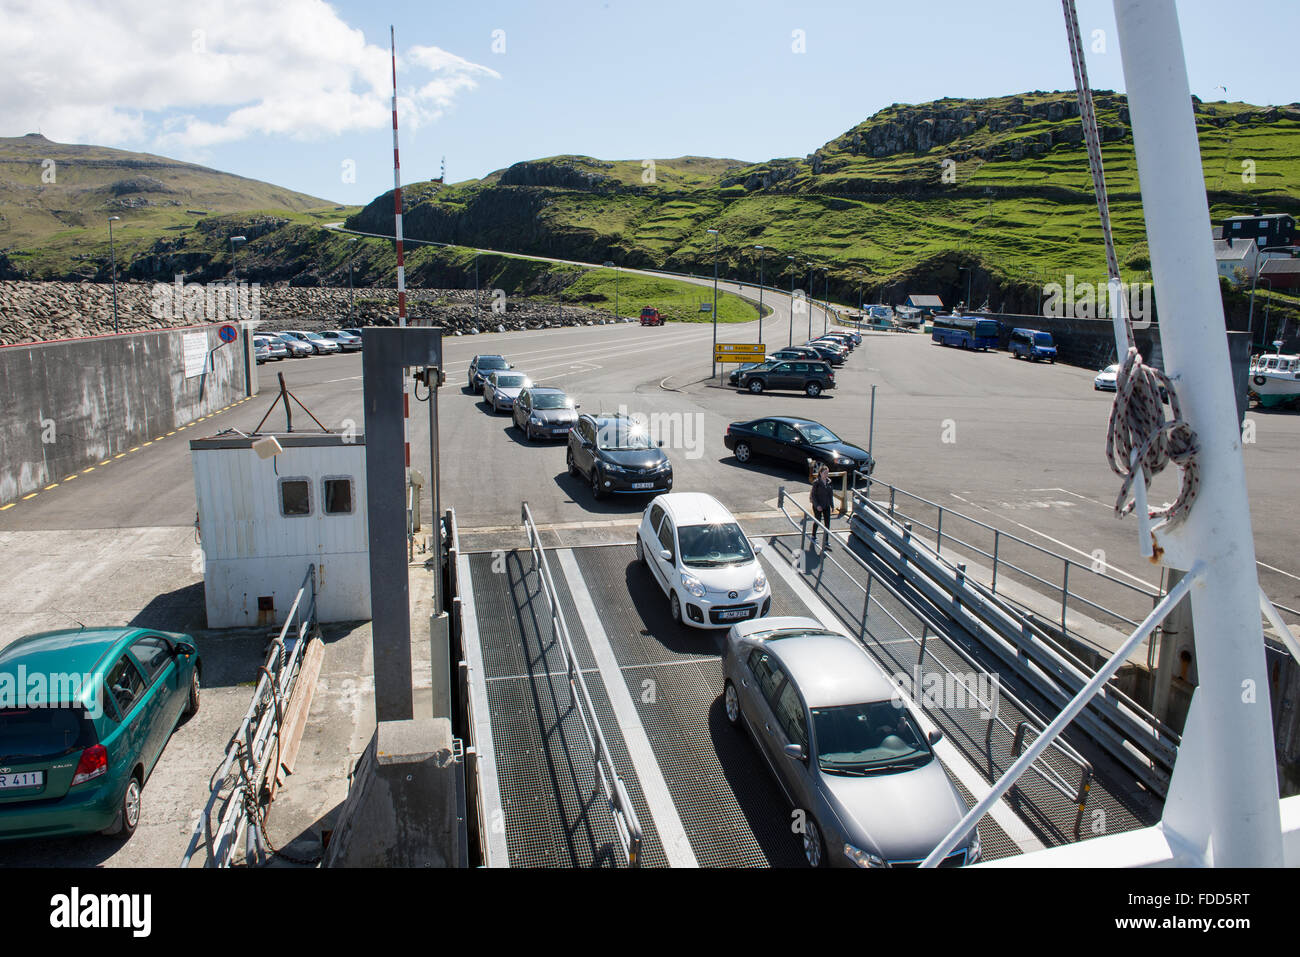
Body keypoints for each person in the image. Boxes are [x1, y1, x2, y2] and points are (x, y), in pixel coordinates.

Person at [810, 465, 834, 548]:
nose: (826, 474)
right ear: (820, 473)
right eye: (825, 473)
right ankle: (813, 535)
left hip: (826, 505)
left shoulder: (829, 482)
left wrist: (832, 505)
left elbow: (830, 495)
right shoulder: (816, 483)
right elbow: (813, 496)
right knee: (818, 520)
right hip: (818, 505)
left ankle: (826, 540)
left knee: (827, 523)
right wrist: (817, 506)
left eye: (827, 473)